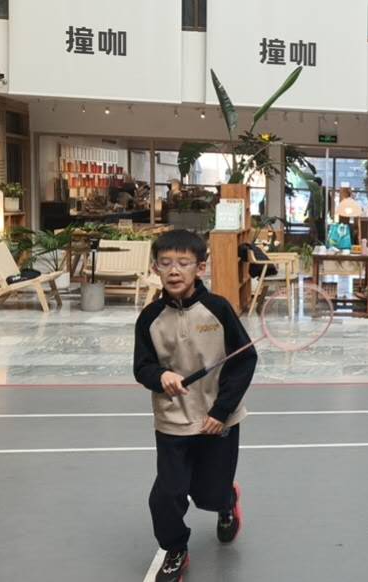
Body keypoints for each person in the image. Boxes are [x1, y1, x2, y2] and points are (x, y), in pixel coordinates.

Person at [133, 230, 257, 582]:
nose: (174, 270)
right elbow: (142, 366)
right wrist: (161, 376)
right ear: (155, 268)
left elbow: (244, 360)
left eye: (183, 263)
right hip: (172, 420)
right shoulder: (150, 318)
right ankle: (175, 549)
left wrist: (221, 411)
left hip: (216, 420)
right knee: (167, 494)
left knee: (209, 493)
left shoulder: (218, 309)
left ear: (200, 268)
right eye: (166, 263)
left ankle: (226, 501)